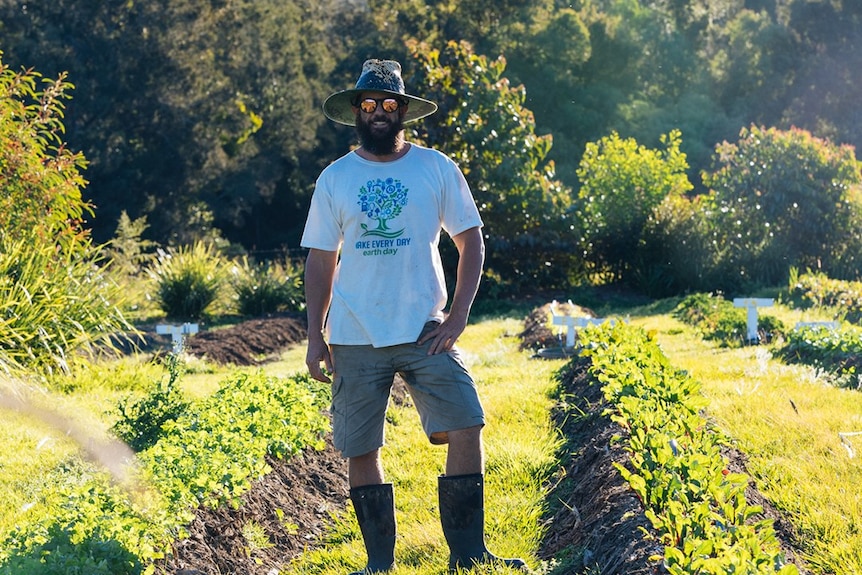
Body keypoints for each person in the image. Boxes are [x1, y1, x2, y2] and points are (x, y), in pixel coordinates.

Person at [301, 59, 526, 574]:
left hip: (426, 329)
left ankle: (468, 556)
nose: (378, 113)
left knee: (467, 423)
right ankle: (379, 563)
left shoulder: (435, 168)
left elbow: (471, 241)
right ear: (357, 112)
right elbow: (320, 258)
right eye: (369, 104)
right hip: (354, 334)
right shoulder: (336, 178)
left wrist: (459, 316)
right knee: (361, 445)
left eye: (388, 104)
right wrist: (316, 336)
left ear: (402, 111)